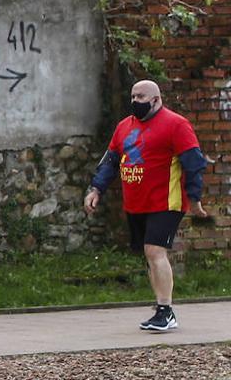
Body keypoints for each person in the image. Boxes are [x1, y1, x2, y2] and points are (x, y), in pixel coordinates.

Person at [84, 79, 208, 332]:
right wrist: (96, 189)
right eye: (133, 96)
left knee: (154, 252)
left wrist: (194, 198)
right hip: (136, 202)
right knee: (149, 256)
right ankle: (161, 308)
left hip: (166, 201)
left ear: (156, 99)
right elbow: (110, 161)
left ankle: (166, 311)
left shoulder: (176, 124)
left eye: (141, 97)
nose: (135, 101)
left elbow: (193, 162)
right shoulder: (124, 127)